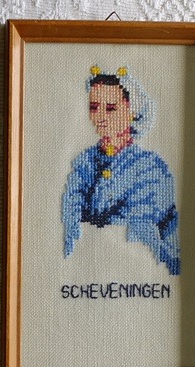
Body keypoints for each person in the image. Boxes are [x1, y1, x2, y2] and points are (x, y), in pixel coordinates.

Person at [62, 66, 180, 276]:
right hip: (84, 272)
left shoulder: (150, 169)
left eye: (110, 108)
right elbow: (70, 223)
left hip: (137, 273)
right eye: (94, 107)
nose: (100, 116)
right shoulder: (84, 163)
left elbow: (140, 236)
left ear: (132, 111)